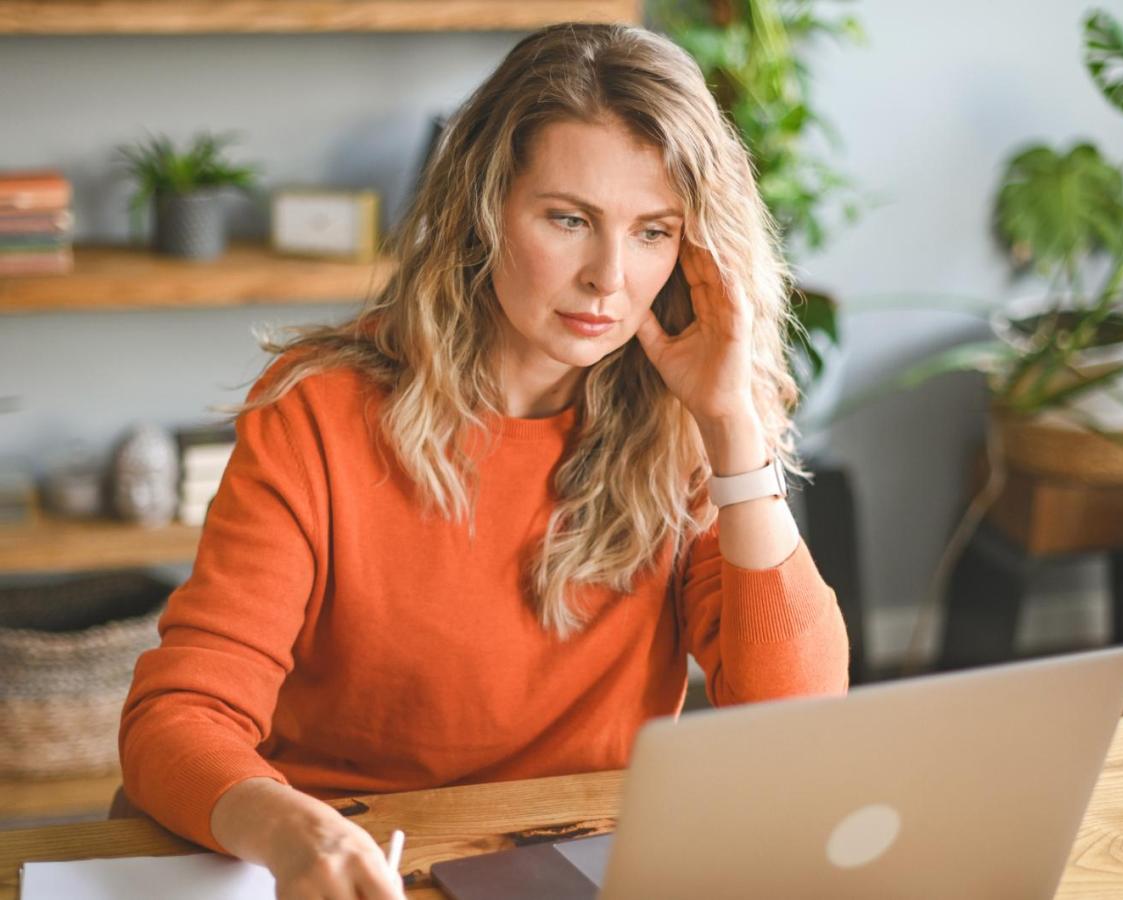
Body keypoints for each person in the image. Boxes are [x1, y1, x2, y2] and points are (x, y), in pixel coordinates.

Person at [119, 21, 850, 900]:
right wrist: (284, 823)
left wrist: (734, 427)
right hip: (350, 860)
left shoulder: (686, 423)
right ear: (484, 206)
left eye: (654, 232)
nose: (608, 278)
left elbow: (798, 730)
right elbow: (179, 715)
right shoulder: (319, 410)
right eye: (569, 219)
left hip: (575, 863)